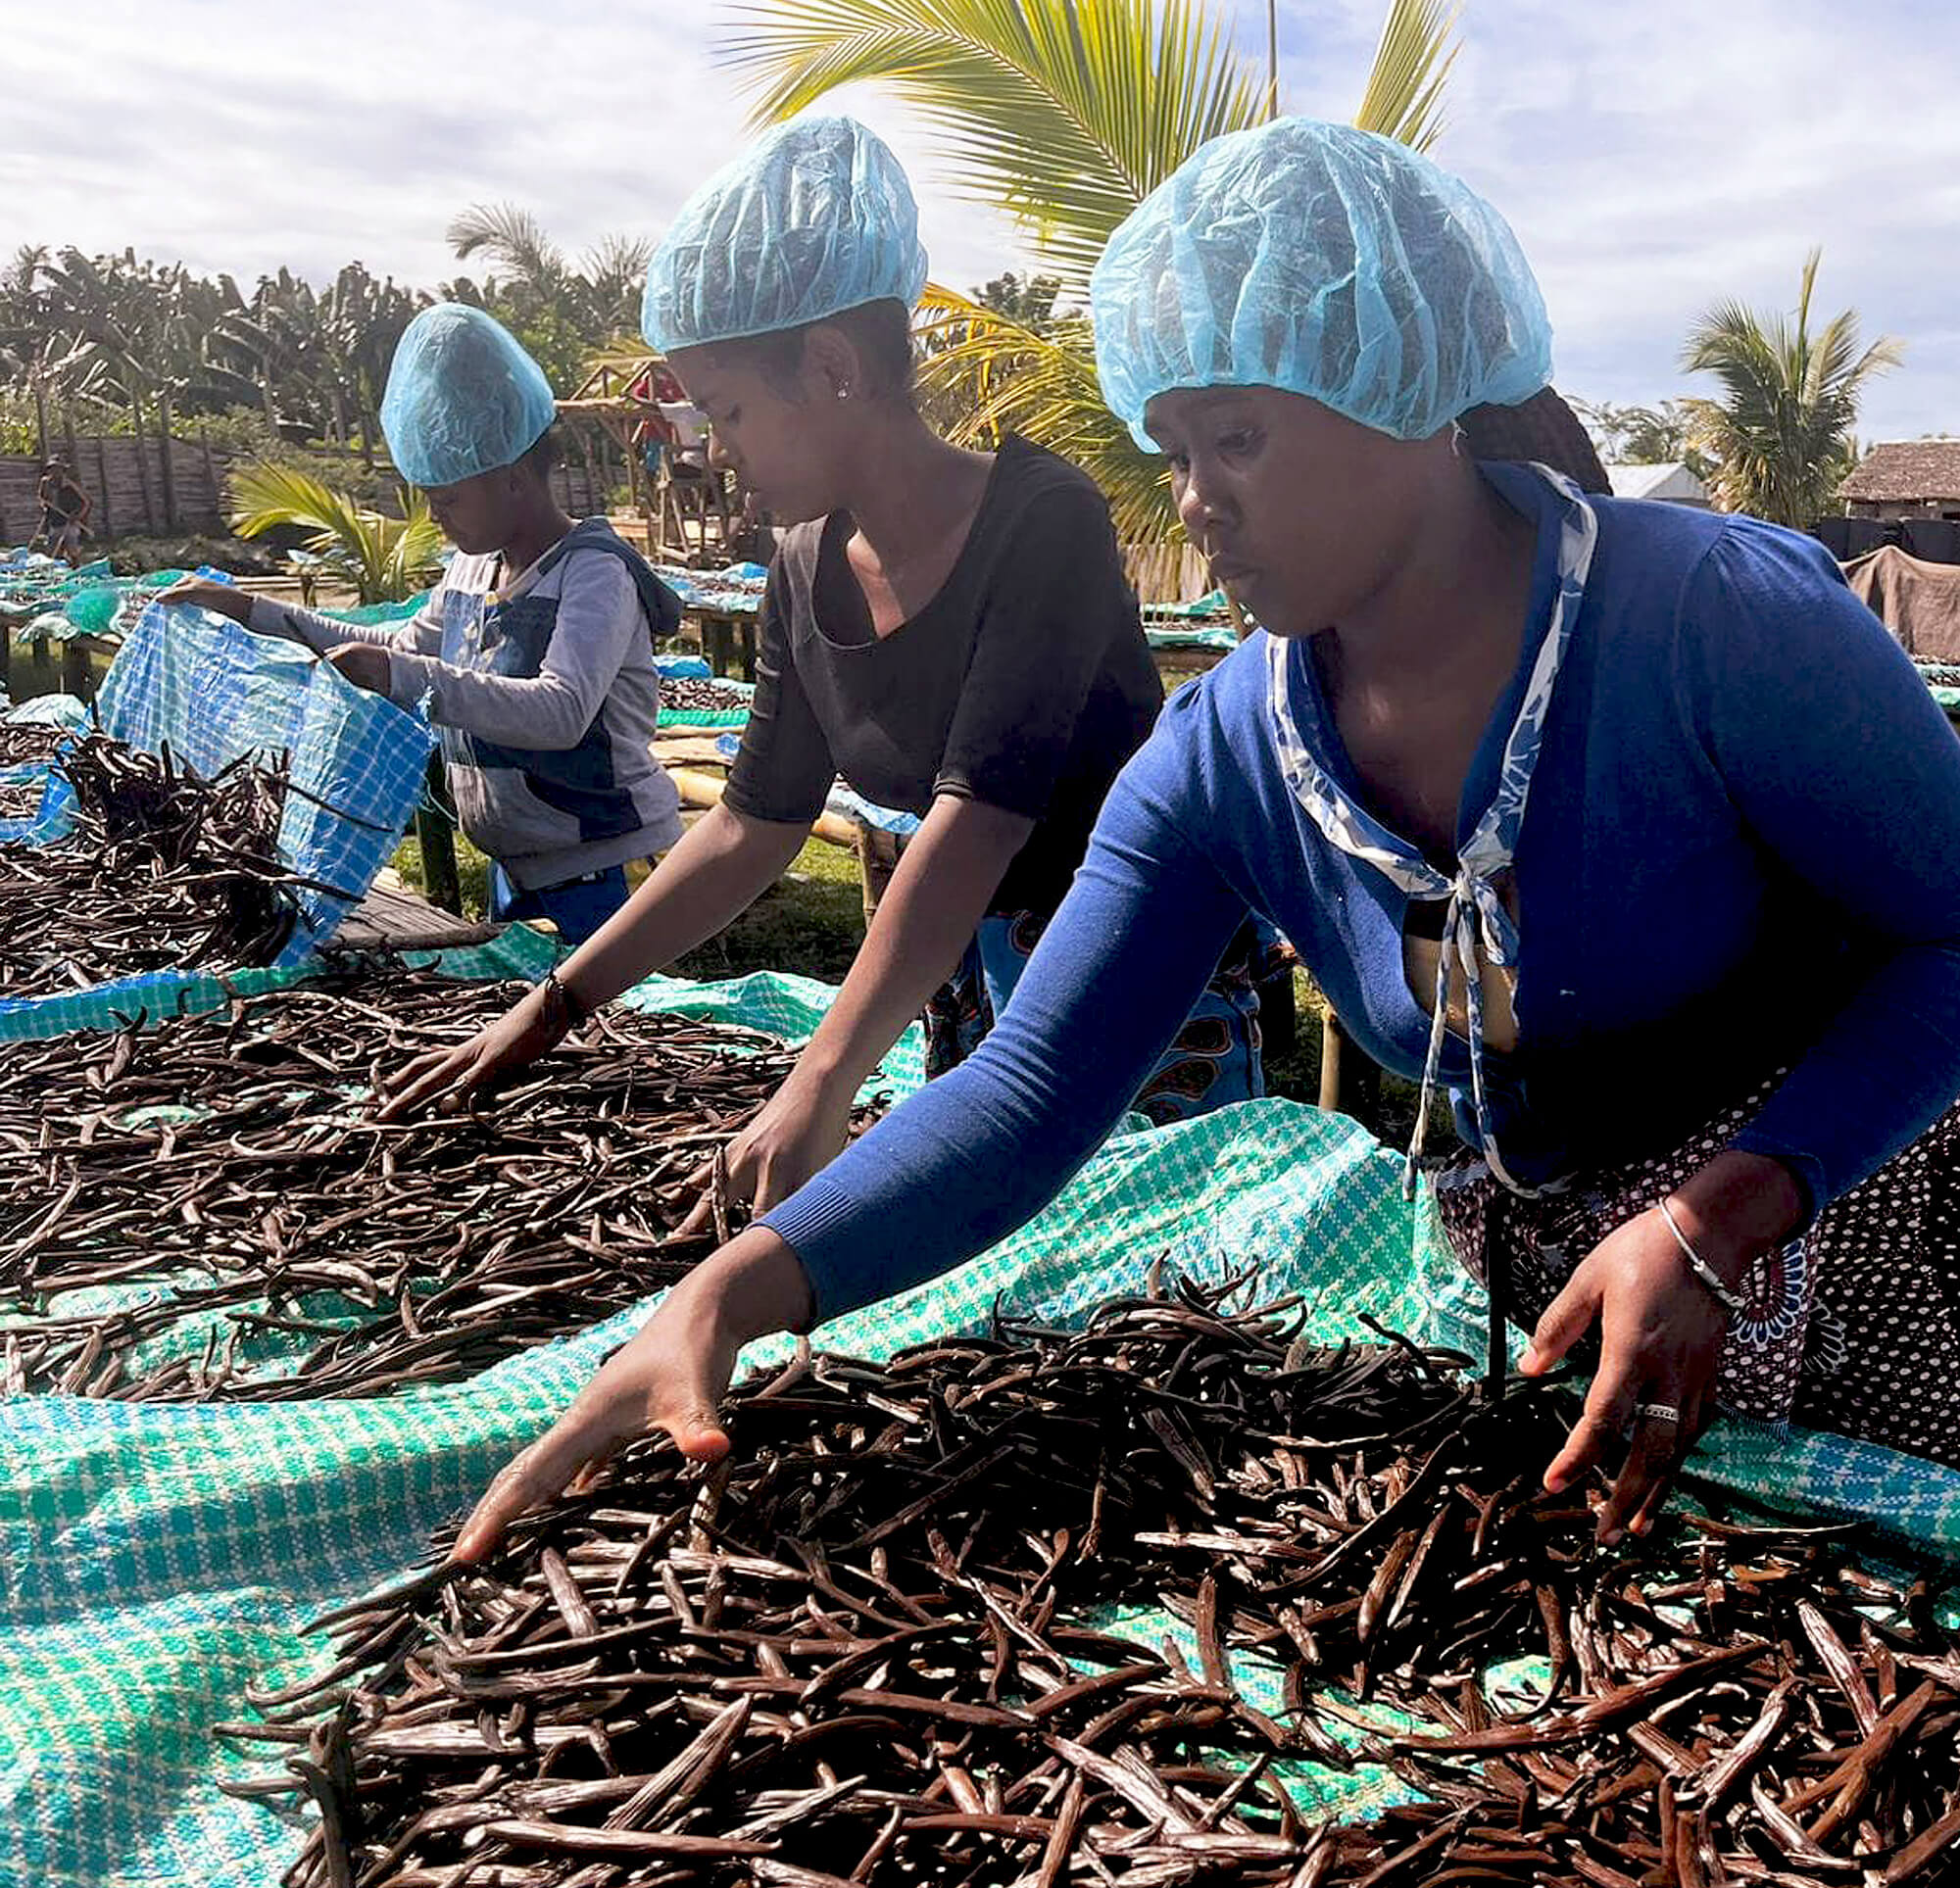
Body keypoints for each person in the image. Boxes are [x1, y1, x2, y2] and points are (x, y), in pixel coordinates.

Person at [454, 118, 1960, 1564]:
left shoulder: (1712, 622)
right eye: (1172, 447)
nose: (1192, 501)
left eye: (1236, 437)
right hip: (1564, 1261)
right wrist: (731, 1293)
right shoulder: (1233, 752)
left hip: (1862, 1202)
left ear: (1408, 392)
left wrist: (1729, 1210)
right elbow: (1034, 1084)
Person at [381, 116, 1265, 1198]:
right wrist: (554, 1005)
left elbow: (977, 819)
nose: (718, 449)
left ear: (834, 367)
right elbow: (752, 823)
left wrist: (820, 1079)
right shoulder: (801, 567)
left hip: (1136, 990)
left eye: (729, 410)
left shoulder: (1044, 522)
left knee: (1156, 1273)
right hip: (959, 984)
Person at [161, 304, 683, 943]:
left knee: (598, 1002)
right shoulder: (474, 569)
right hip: (518, 862)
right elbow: (398, 647)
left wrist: (402, 676)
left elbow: (561, 711)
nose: (437, 517)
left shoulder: (594, 573)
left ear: (514, 478)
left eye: (449, 499)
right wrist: (251, 611)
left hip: (598, 865)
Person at [33, 457, 91, 565]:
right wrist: (45, 506)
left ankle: (76, 567)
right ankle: (60, 569)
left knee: (72, 549)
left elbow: (86, 502)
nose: (54, 472)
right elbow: (41, 498)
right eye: (52, 469)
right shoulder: (46, 483)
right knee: (52, 551)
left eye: (57, 469)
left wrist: (78, 516)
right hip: (54, 521)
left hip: (69, 521)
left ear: (62, 470)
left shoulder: (69, 485)